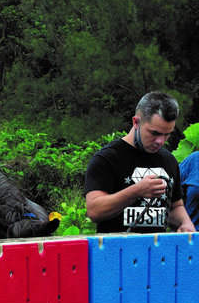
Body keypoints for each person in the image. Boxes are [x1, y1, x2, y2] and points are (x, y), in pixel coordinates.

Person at [84, 91, 196, 233]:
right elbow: (94, 211)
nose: (160, 141)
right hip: (117, 251)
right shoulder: (106, 159)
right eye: (154, 133)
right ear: (136, 122)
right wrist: (137, 190)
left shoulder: (169, 160)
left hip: (157, 251)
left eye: (167, 134)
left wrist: (184, 223)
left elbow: (175, 207)